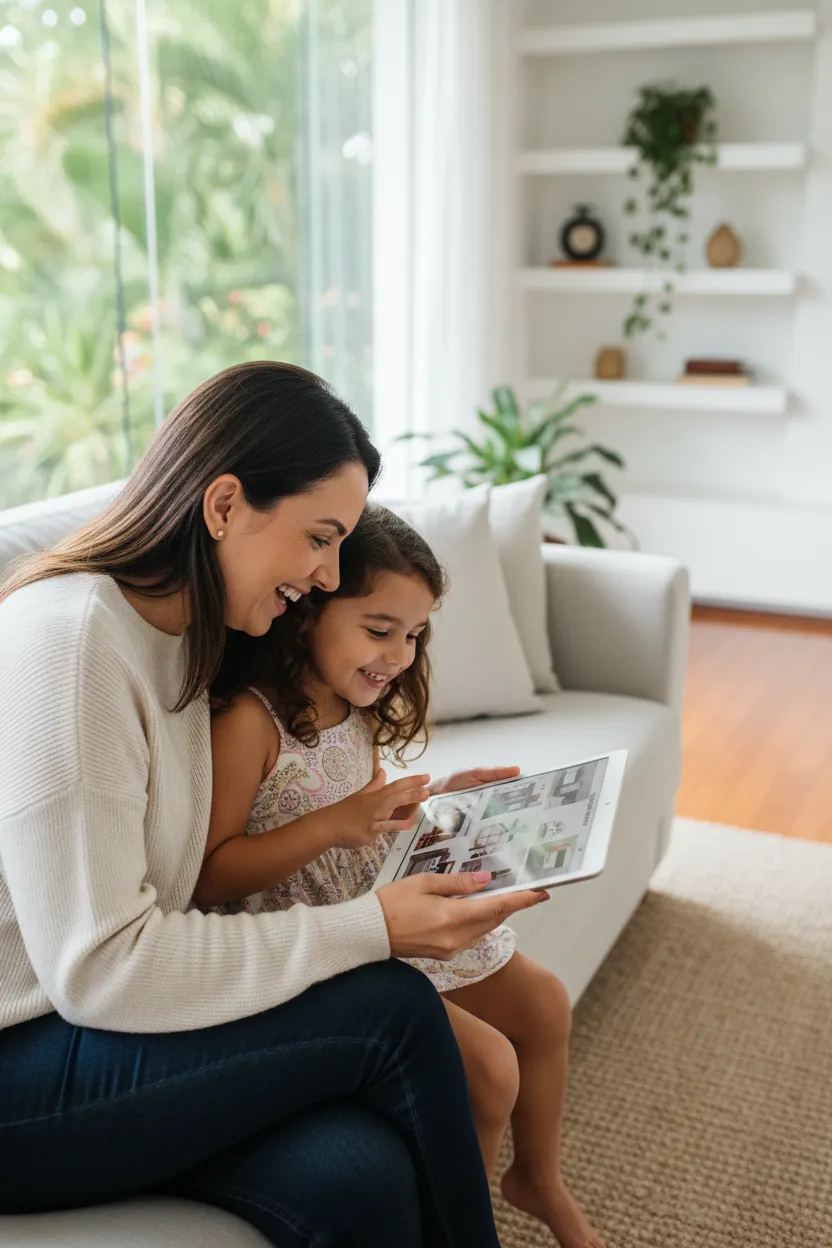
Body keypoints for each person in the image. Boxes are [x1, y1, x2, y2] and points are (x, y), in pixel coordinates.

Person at [0, 361, 550, 1246]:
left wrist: (412, 814)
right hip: (26, 1057)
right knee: (390, 1008)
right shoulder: (73, 645)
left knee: (362, 1174)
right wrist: (372, 928)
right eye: (320, 539)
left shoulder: (185, 641)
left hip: (97, 1031)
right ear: (224, 506)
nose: (329, 576)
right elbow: (100, 967)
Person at [198, 504, 606, 1248]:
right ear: (307, 613)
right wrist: (338, 822)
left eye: (413, 634)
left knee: (544, 1003)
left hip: (381, 908)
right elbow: (211, 875)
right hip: (315, 944)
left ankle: (537, 1180)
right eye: (379, 629)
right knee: (490, 1070)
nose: (397, 655)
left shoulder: (352, 705)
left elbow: (364, 818)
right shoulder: (251, 723)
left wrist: (439, 801)